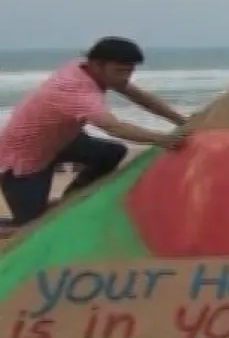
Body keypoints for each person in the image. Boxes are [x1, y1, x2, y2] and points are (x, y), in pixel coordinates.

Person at [0, 37, 189, 227]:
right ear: (98, 65)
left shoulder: (85, 67)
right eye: (120, 71)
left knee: (112, 153)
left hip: (64, 141)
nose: (125, 77)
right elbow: (114, 127)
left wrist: (180, 120)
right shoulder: (76, 90)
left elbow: (138, 96)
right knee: (33, 228)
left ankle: (71, 200)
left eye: (129, 71)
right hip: (24, 156)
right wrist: (163, 139)